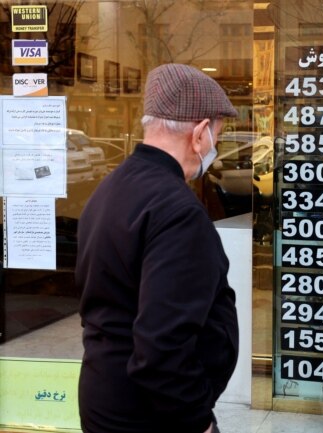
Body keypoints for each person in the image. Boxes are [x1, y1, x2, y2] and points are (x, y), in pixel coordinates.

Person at [76, 63, 239, 433]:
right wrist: (198, 422)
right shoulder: (177, 211)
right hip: (151, 416)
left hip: (105, 396)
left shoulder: (109, 189)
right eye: (219, 134)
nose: (216, 145)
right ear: (200, 134)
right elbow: (162, 347)